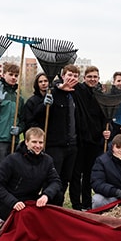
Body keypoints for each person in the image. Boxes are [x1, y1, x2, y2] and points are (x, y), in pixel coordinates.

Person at [0, 127, 62, 220]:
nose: (38, 146)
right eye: (34, 142)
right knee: (26, 217)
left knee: (57, 195)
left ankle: (51, 219)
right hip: (11, 201)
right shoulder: (12, 160)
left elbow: (56, 181)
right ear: (26, 142)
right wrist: (13, 202)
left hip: (31, 199)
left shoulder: (47, 160)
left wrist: (46, 195)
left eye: (40, 142)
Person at [0, 62, 25, 223]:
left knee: (11, 176)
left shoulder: (18, 97)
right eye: (11, 74)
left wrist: (20, 128)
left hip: (12, 140)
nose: (13, 78)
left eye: (16, 75)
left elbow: (22, 119)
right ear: (4, 74)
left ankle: (7, 209)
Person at [71, 66, 109, 210]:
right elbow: (60, 83)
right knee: (76, 174)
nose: (92, 79)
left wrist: (107, 130)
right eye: (90, 77)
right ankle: (76, 203)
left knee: (89, 174)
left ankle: (87, 203)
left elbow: (105, 117)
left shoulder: (101, 95)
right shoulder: (78, 90)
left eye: (95, 77)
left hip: (95, 140)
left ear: (98, 78)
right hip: (79, 139)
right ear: (84, 78)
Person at [44, 64, 80, 206]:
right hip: (56, 144)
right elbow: (41, 114)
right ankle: (49, 205)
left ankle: (58, 205)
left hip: (72, 144)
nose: (72, 78)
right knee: (54, 177)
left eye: (75, 76)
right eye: (69, 75)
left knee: (66, 178)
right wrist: (57, 87)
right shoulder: (54, 92)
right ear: (63, 76)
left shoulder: (76, 94)